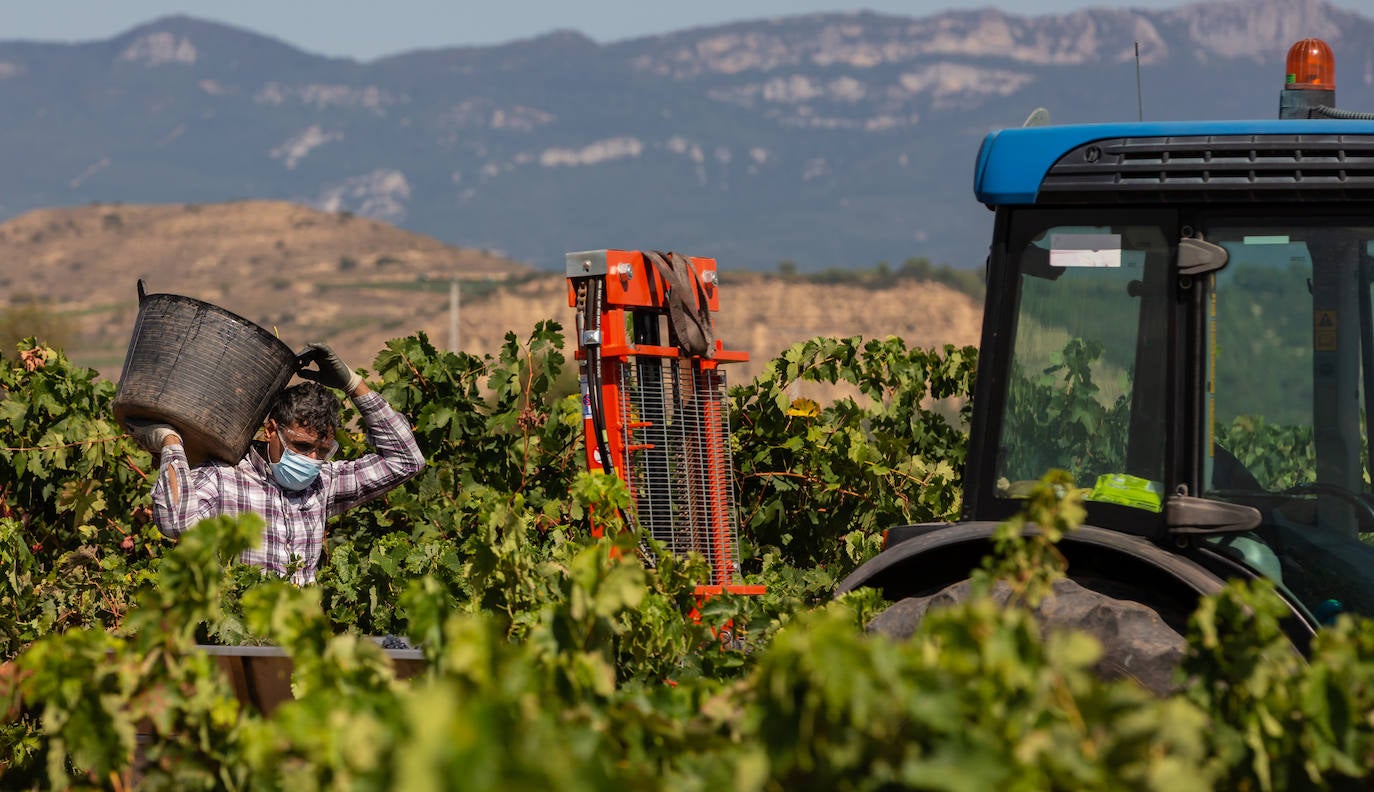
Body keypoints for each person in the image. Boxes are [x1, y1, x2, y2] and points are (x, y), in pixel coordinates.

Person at [126, 343, 425, 584]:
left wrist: (353, 384)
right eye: (301, 446)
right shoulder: (225, 477)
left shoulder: (324, 482)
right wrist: (171, 443)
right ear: (271, 431)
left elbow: (406, 460)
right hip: (241, 642)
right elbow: (175, 523)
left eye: (322, 451)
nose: (311, 460)